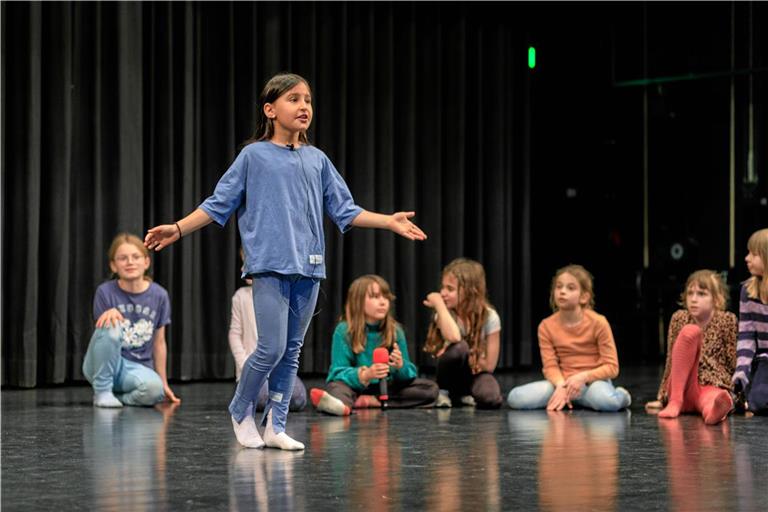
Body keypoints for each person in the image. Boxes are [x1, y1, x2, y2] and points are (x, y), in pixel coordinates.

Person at [144, 72, 427, 450]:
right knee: (271, 348)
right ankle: (240, 408)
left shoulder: (317, 160)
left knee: (292, 351)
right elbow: (217, 204)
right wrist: (177, 229)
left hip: (309, 267)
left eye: (308, 99)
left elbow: (344, 210)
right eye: (293, 99)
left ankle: (275, 425)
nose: (304, 106)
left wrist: (388, 221)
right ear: (270, 109)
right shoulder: (253, 156)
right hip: (270, 265)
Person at [507, 264, 631, 411]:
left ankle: (622, 396)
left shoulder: (599, 322)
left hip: (592, 384)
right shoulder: (546, 326)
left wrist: (582, 377)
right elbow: (550, 366)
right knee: (515, 398)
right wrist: (561, 385)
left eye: (570, 288)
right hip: (562, 384)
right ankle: (570, 400)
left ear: (584, 297)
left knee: (607, 402)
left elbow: (612, 367)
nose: (562, 292)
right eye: (559, 287)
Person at [310, 275, 438, 415]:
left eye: (385, 297)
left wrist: (400, 366)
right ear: (358, 302)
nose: (383, 302)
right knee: (337, 387)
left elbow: (410, 374)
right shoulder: (344, 330)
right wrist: (365, 374)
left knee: (429, 389)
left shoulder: (395, 330)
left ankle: (370, 401)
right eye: (375, 297)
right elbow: (337, 372)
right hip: (356, 386)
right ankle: (341, 404)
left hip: (385, 388)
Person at [82, 233, 181, 408]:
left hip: (136, 370)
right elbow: (103, 337)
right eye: (122, 258)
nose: (130, 262)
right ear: (114, 265)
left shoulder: (159, 295)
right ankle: (103, 391)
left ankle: (120, 398)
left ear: (146, 262)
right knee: (111, 323)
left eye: (136, 257)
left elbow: (159, 342)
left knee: (154, 390)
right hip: (103, 366)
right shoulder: (105, 292)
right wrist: (110, 313)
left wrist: (163, 383)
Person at [644, 270, 736, 424]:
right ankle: (675, 402)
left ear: (716, 298)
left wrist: (741, 397)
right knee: (690, 331)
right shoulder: (679, 318)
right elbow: (670, 359)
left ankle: (713, 413)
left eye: (701, 294)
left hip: (709, 386)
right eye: (690, 293)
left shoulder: (727, 320)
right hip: (681, 387)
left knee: (711, 400)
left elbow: (732, 361)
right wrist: (662, 397)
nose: (694, 299)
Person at [229, 249, 307, 413]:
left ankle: (273, 404)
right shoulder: (241, 296)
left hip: (277, 368)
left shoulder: (282, 296)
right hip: (252, 369)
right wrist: (245, 366)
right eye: (244, 263)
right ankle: (250, 395)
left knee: (298, 397)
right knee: (264, 396)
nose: (244, 268)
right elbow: (235, 335)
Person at [422, 258, 503, 409]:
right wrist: (439, 305)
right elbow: (454, 338)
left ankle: (464, 394)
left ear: (471, 291)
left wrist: (472, 361)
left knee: (491, 398)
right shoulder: (444, 313)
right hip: (449, 377)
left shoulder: (490, 316)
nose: (443, 293)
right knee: (460, 347)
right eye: (443, 287)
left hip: (475, 374)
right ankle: (444, 392)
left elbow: (490, 365)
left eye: (450, 289)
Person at [731, 228, 768, 414]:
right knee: (758, 403)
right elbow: (746, 335)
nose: (747, 258)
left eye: (753, 254)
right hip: (764, 360)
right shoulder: (748, 290)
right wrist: (741, 370)